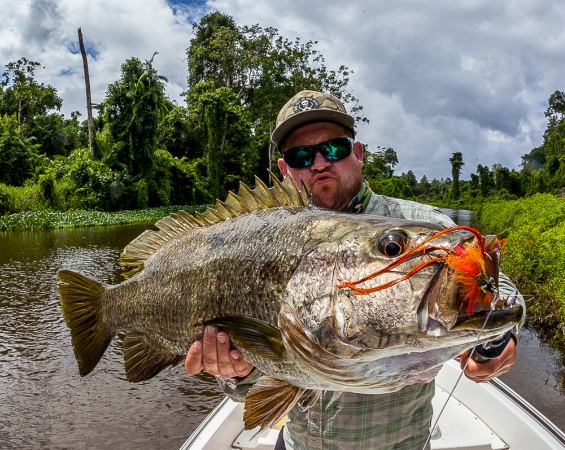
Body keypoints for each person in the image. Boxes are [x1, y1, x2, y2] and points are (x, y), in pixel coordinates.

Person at [184, 90, 523, 449]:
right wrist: (239, 372)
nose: (319, 163)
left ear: (357, 154)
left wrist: (502, 338)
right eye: (301, 155)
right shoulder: (258, 241)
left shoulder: (422, 225)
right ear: (284, 171)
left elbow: (500, 288)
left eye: (334, 149)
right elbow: (249, 390)